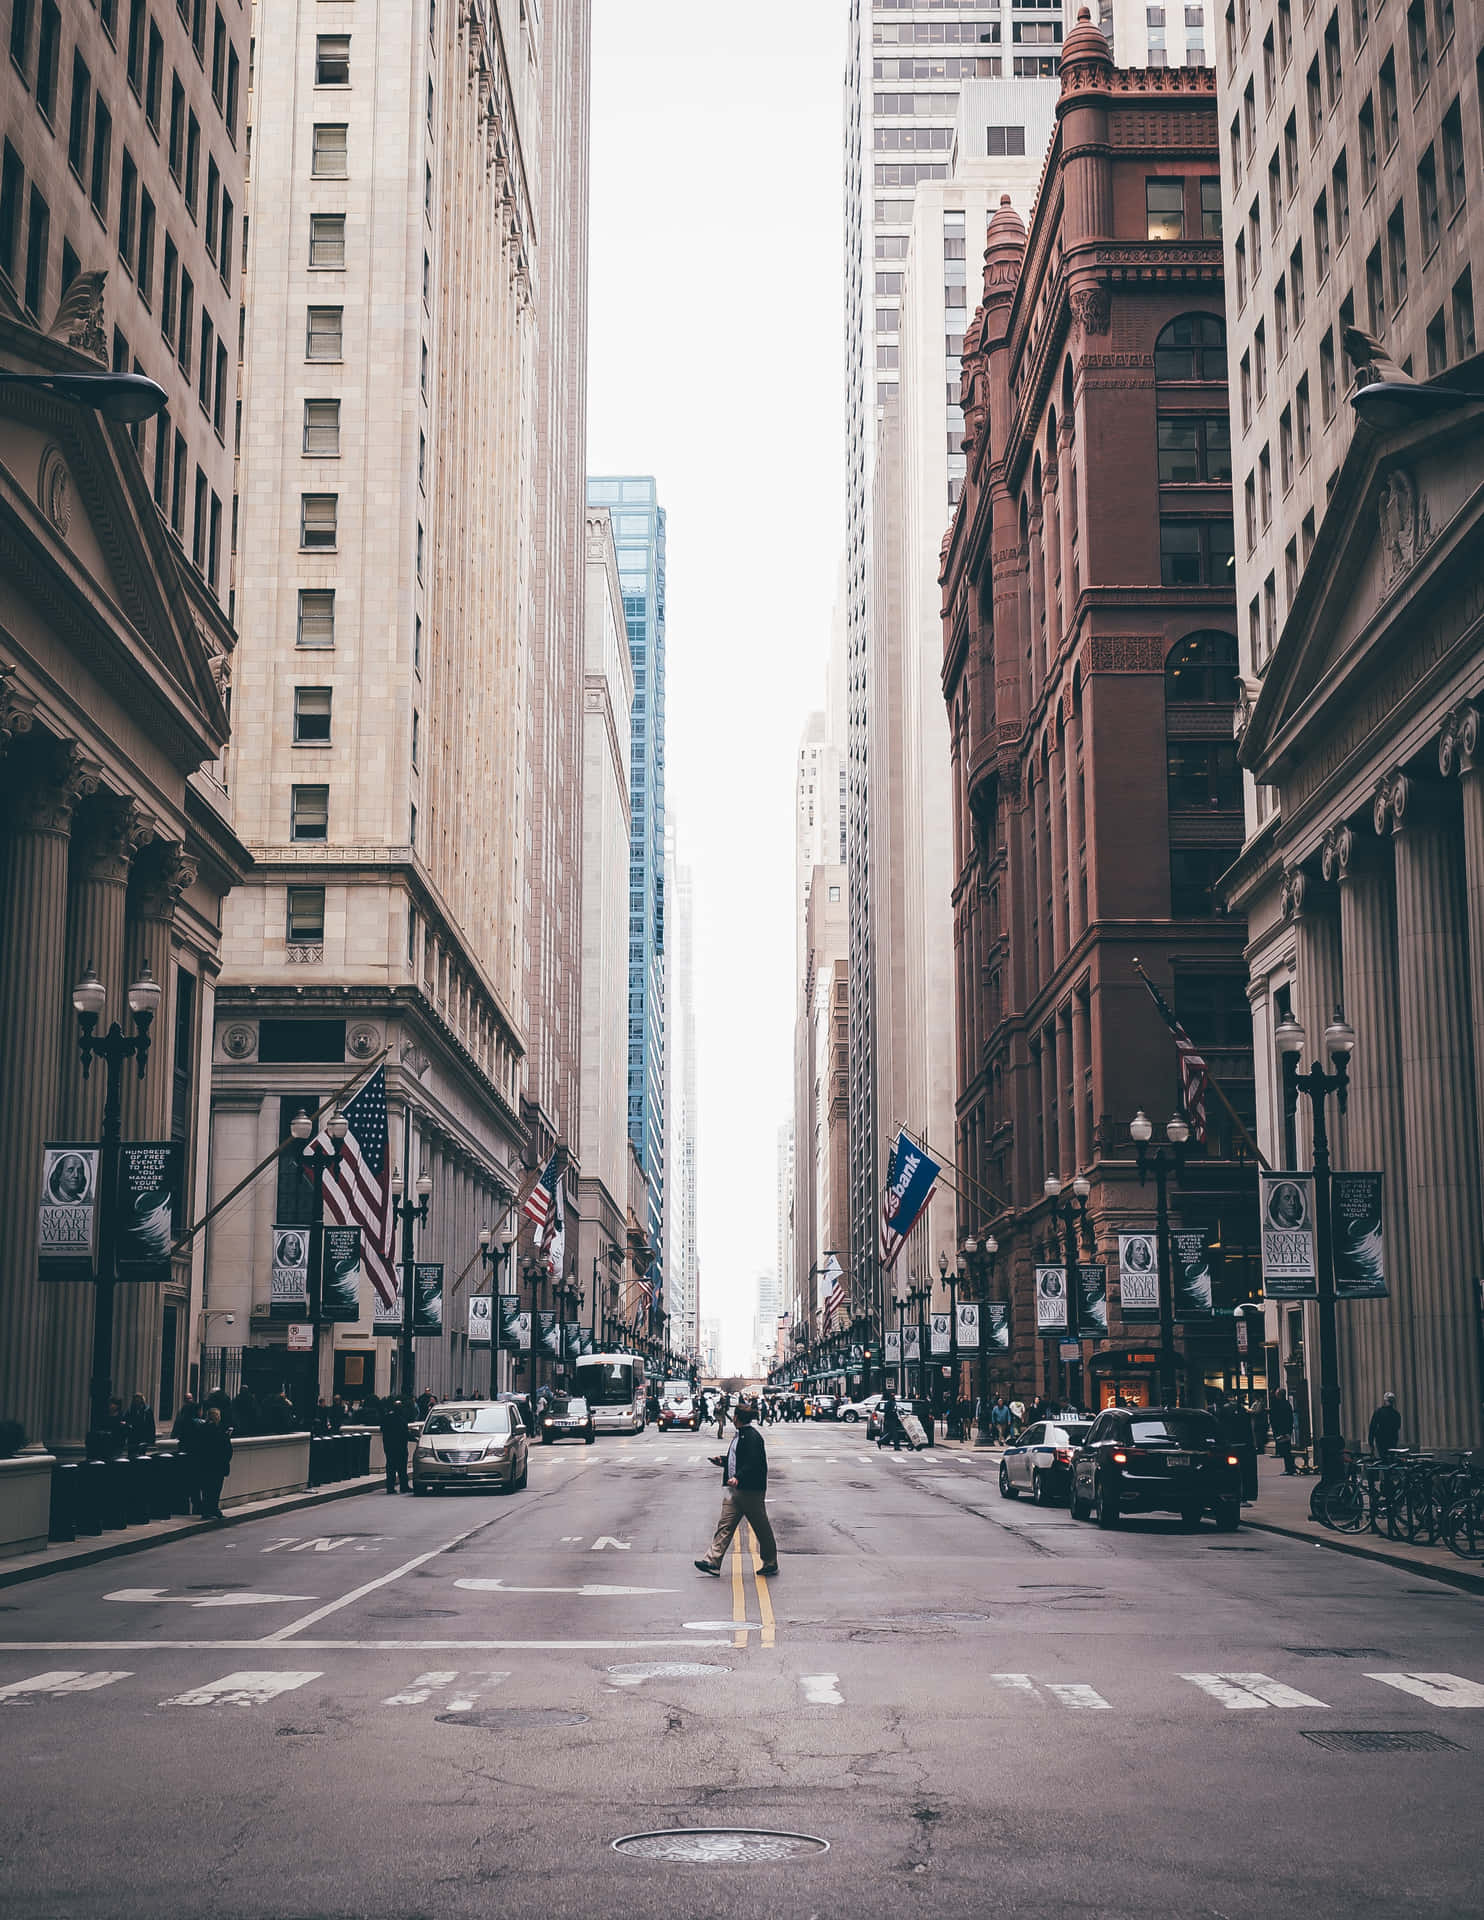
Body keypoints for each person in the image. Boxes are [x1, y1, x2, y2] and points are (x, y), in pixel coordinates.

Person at [694, 1397, 778, 1579]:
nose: (732, 1417)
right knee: (724, 1525)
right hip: (734, 1490)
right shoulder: (740, 1435)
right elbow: (738, 1459)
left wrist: (738, 1477)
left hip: (750, 1490)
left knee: (760, 1526)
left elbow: (752, 1463)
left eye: (734, 1415)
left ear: (739, 1418)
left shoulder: (752, 1437)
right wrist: (723, 1461)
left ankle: (770, 1561)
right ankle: (712, 1561)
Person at [195, 1406, 233, 1521]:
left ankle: (207, 1510)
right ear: (217, 1417)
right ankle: (213, 1509)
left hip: (206, 1464)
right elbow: (225, 1448)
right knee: (215, 1488)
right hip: (217, 1464)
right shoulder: (219, 1430)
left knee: (207, 1488)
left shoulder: (202, 1429)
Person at [380, 1396, 412, 1493]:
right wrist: (414, 1438)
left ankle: (390, 1487)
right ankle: (403, 1486)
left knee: (390, 1467)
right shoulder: (401, 1420)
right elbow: (405, 1433)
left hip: (389, 1447)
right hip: (400, 1447)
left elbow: (382, 1429)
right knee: (402, 1468)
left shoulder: (386, 1418)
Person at [1269, 1387, 1297, 1474]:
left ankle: (1289, 1468)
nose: (1275, 1395)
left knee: (1286, 1451)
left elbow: (1281, 1418)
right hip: (1285, 1430)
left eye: (1277, 1394)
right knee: (1286, 1450)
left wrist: (1284, 1432)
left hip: (1283, 1431)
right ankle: (1290, 1467)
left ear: (1280, 1395)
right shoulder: (1286, 1404)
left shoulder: (1282, 1404)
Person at [1368, 1391, 1402, 1461]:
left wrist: (1371, 1442)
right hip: (1392, 1441)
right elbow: (1398, 1427)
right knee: (1391, 1460)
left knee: (1383, 1460)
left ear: (1385, 1400)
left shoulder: (1378, 1412)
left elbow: (1372, 1427)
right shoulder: (1396, 1414)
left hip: (1381, 1440)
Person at [124, 1392, 156, 1458]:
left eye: (138, 1400)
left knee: (141, 1456)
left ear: (142, 1400)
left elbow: (151, 1425)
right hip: (133, 1437)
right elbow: (125, 1421)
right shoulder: (130, 1410)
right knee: (131, 1455)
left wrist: (151, 1438)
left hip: (143, 1436)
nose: (137, 1401)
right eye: (135, 1400)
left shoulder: (147, 1410)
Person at [878, 1387, 907, 1451]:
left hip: (893, 1420)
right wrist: (893, 1412)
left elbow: (896, 1410)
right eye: (892, 1395)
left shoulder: (893, 1402)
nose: (894, 1396)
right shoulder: (889, 1402)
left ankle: (880, 1441)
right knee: (894, 1433)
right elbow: (886, 1411)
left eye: (894, 1395)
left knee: (891, 1433)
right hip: (890, 1420)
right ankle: (896, 1446)